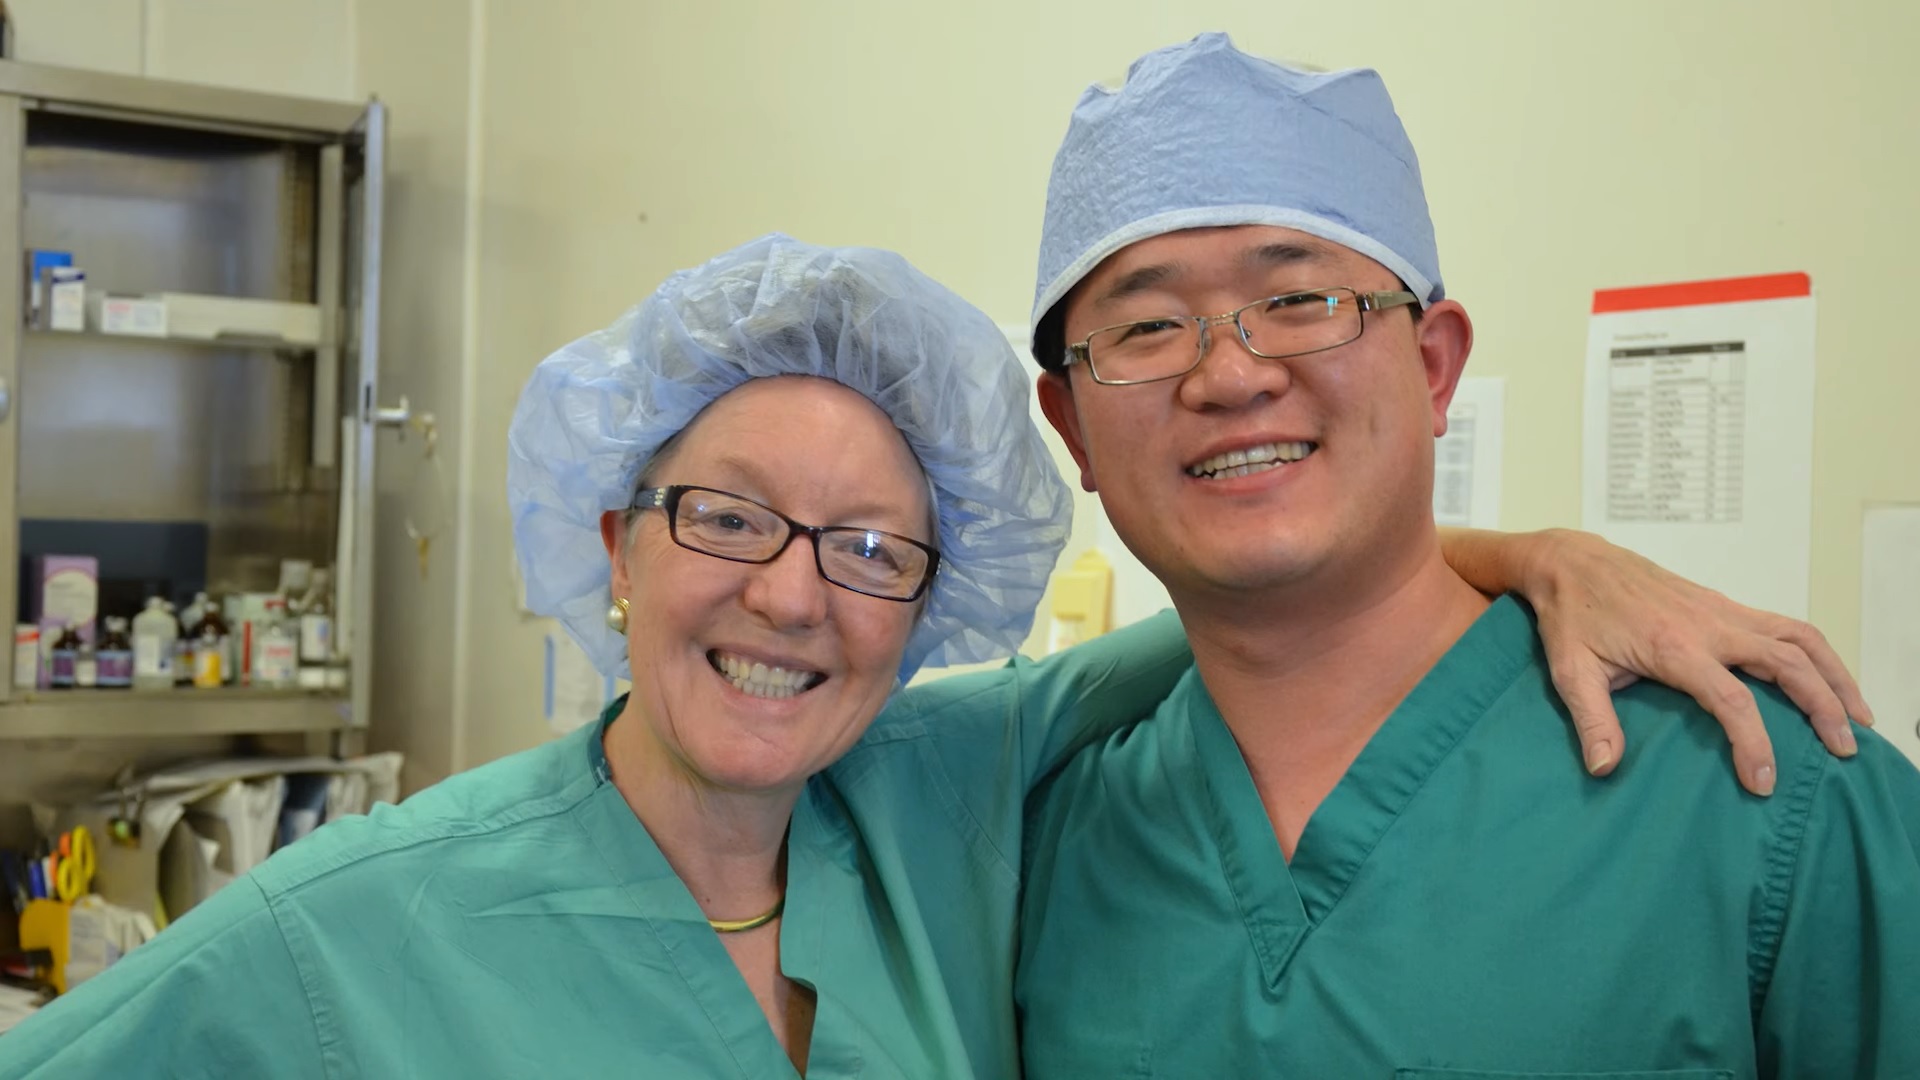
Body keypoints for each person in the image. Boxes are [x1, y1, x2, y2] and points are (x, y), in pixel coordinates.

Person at [0, 250, 1862, 1075]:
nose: (794, 600)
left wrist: (1545, 557)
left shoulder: (958, 790)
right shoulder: (356, 925)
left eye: (873, 550)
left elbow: (1278, 590)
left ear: (933, 603)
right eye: (725, 518)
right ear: (609, 536)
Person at [1014, 34, 1920, 1078]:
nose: (1229, 374)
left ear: (1434, 367)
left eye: (1300, 301)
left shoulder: (1766, 790)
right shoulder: (1034, 843)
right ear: (1073, 429)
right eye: (1148, 327)